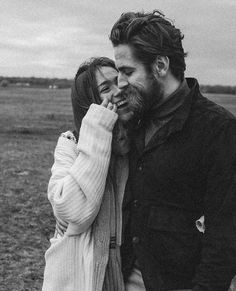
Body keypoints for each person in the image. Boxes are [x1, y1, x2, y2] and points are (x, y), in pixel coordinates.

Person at [109, 10, 236, 291]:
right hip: (120, 277)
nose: (119, 82)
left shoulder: (219, 130)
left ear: (161, 65)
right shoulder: (133, 120)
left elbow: (225, 239)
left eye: (127, 71)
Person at [42, 57, 130, 291]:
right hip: (77, 277)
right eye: (105, 88)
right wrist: (98, 128)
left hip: (125, 274)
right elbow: (74, 213)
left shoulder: (137, 144)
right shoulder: (70, 144)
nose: (118, 90)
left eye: (119, 81)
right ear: (89, 103)